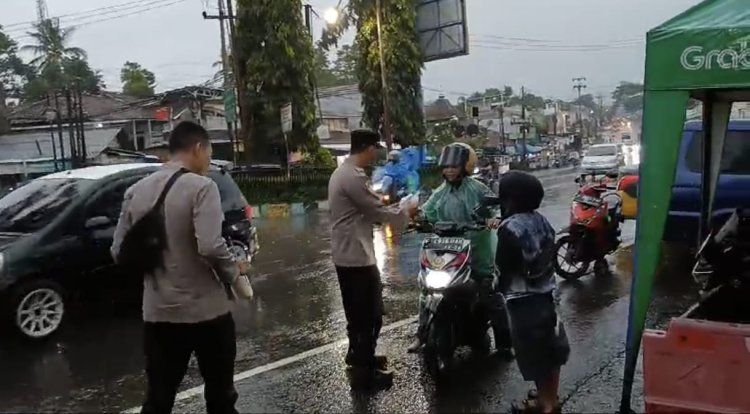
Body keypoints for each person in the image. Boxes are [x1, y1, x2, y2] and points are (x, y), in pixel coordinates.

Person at [112, 121, 249, 414]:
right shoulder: (201, 187)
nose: (209, 159)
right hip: (206, 313)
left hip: (158, 312)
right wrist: (233, 273)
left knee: (160, 397)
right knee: (220, 395)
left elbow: (117, 251)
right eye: (209, 152)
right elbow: (210, 246)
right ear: (198, 148)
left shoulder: (136, 191)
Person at [328, 129, 418, 388]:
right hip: (356, 255)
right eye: (375, 149)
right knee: (370, 314)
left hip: (349, 252)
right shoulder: (353, 177)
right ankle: (366, 373)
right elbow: (376, 211)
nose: (377, 154)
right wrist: (406, 212)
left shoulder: (342, 173)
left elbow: (369, 207)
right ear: (367, 148)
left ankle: (358, 355)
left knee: (358, 313)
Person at [407, 142, 513, 357]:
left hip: (478, 253)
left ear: (466, 166)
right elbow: (428, 212)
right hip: (449, 253)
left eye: (454, 166)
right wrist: (417, 217)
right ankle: (421, 333)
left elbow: (494, 207)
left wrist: (493, 219)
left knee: (489, 295)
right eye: (446, 166)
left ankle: (504, 344)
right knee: (427, 292)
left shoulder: (478, 188)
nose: (449, 170)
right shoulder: (441, 192)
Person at [494, 171, 570, 414]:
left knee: (534, 354)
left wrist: (496, 286)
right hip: (547, 295)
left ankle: (546, 405)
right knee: (551, 349)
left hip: (523, 301)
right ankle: (550, 395)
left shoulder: (508, 229)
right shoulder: (542, 221)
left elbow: (503, 268)